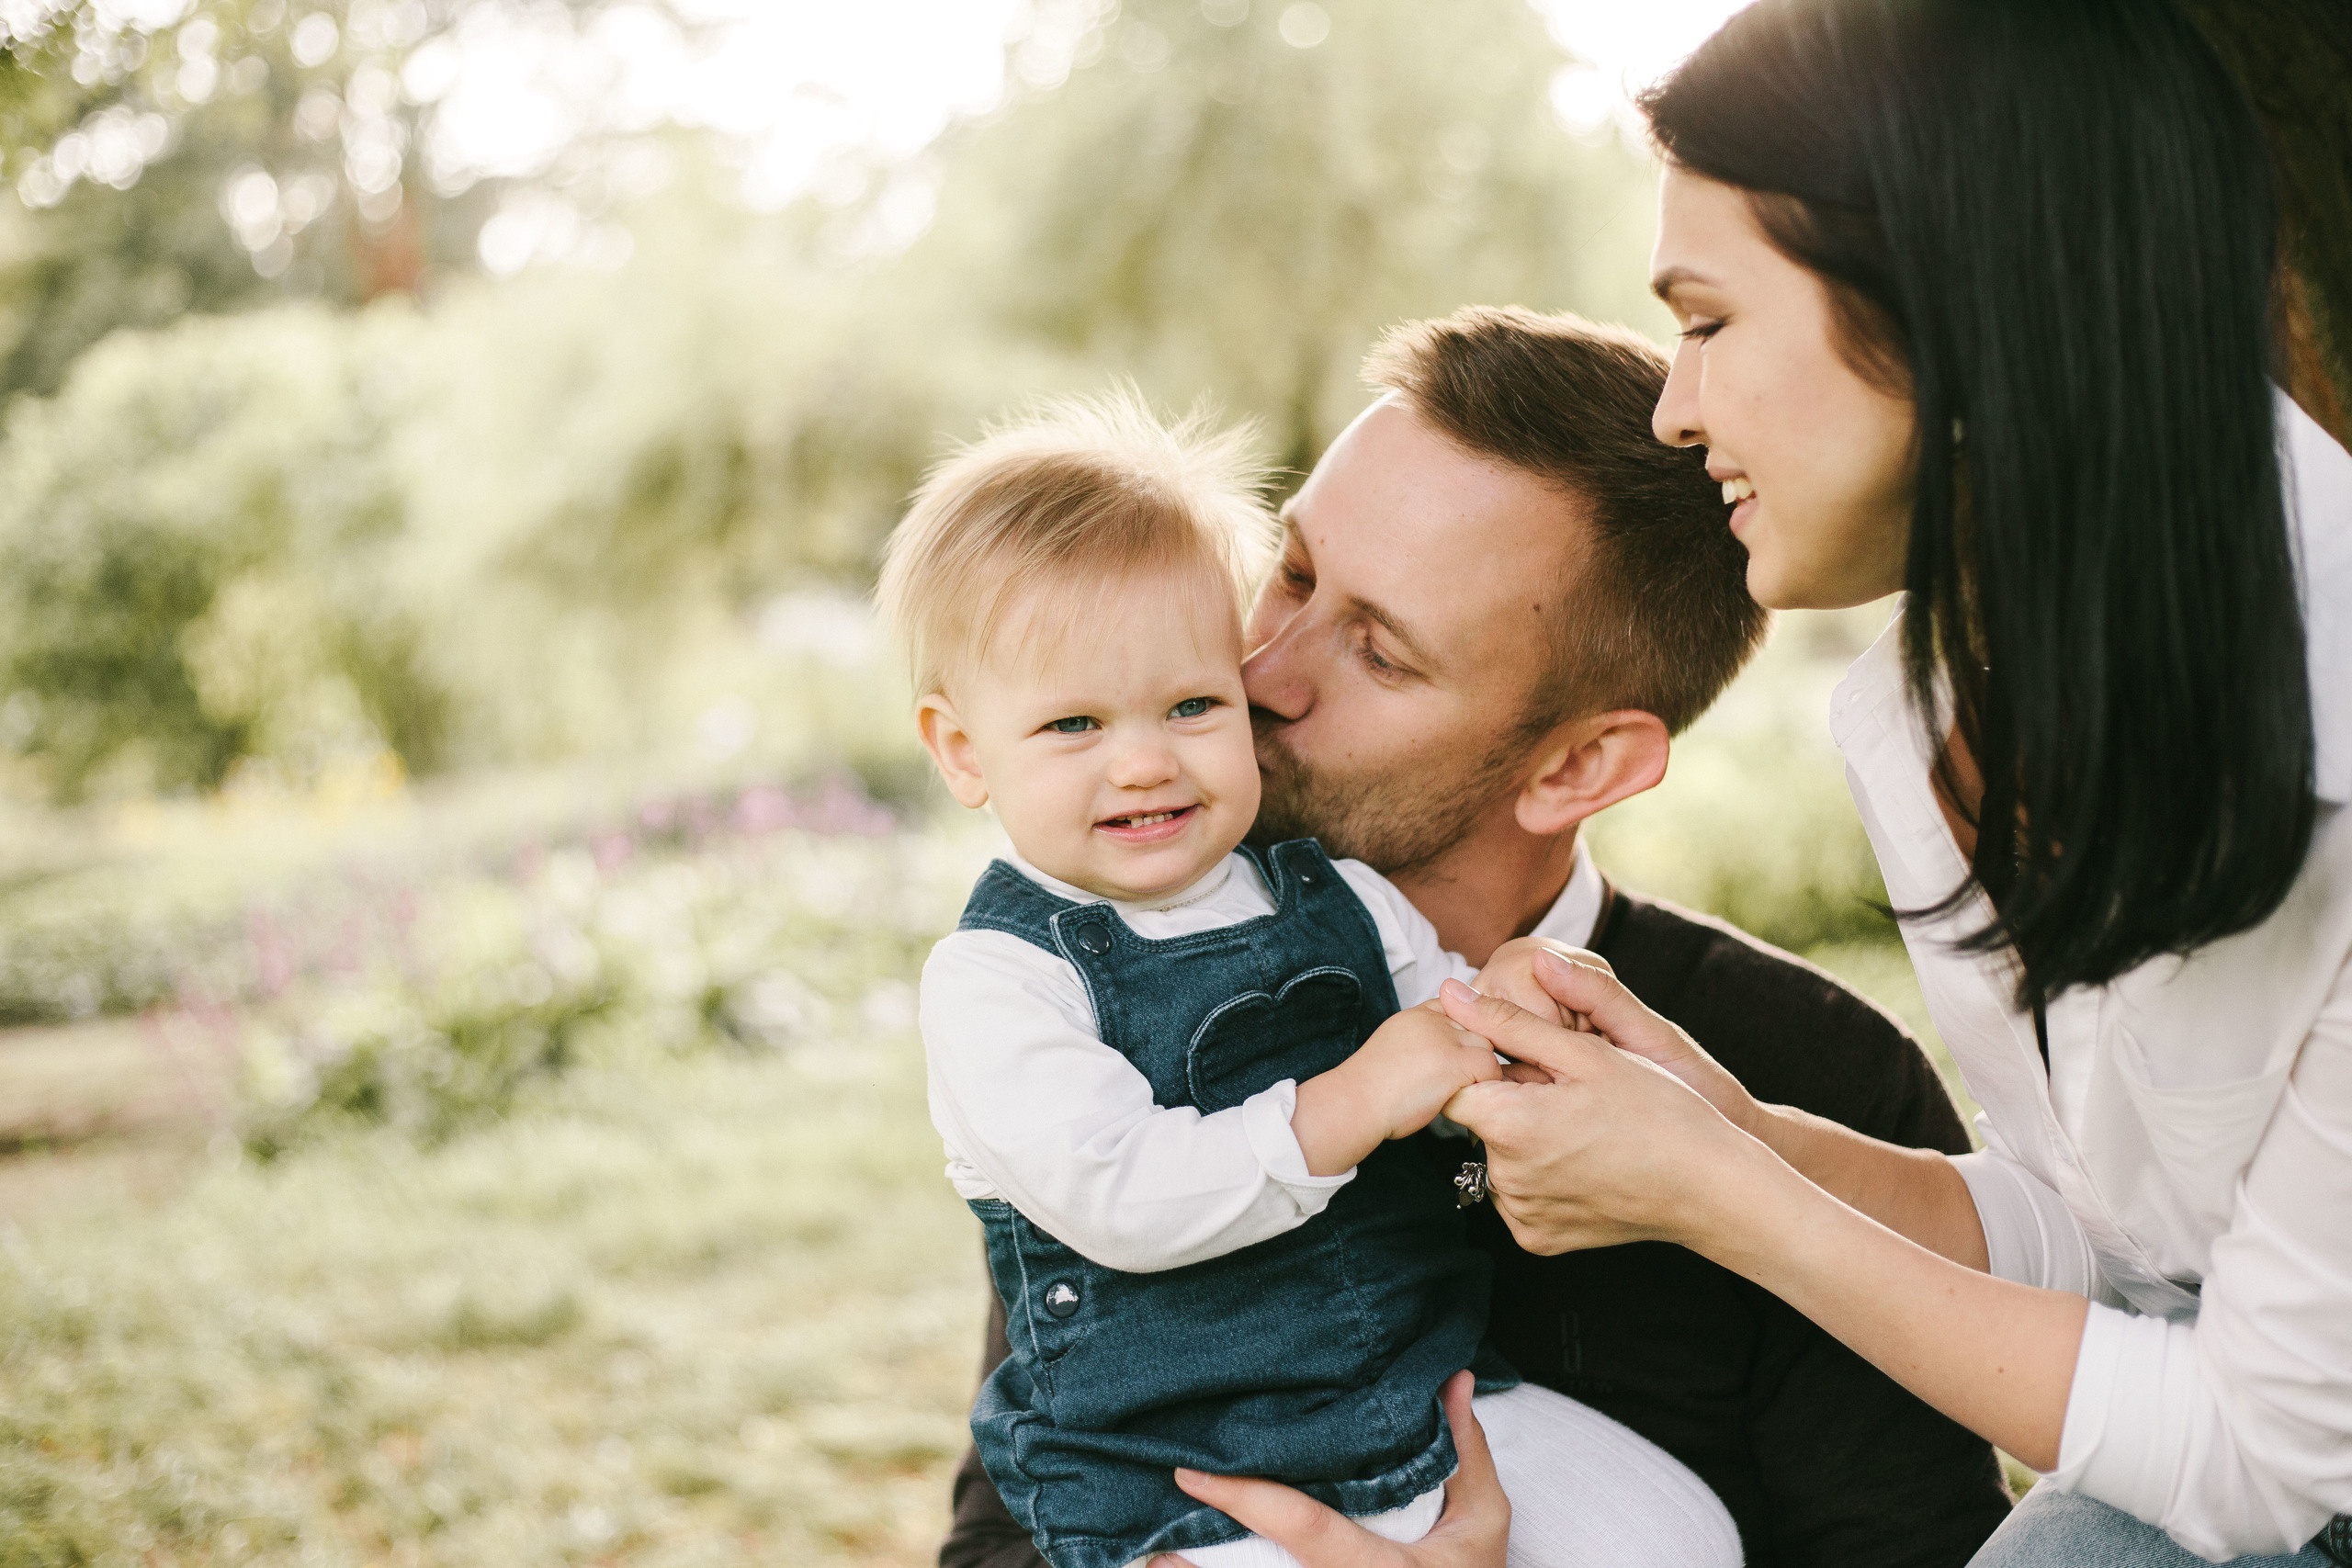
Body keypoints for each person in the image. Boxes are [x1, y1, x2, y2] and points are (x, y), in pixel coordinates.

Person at [1182, 4, 2352, 1566]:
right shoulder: (1950, 701)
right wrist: (1734, 1130)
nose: (1678, 404)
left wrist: (1727, 1197)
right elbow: (2137, 1247)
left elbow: (2267, 1455)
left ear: (1951, 310)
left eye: (1711, 321)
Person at [941, 308, 2017, 1568]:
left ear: (1581, 764)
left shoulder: (1824, 1078)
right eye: (1289, 574)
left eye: (1379, 651)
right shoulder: (1111, 979)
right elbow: (1006, 1525)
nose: (1260, 669)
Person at [879, 392, 1742, 1568]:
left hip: (1426, 1407)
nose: (1145, 759)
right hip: (1184, 1482)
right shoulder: (1003, 981)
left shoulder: (1327, 895)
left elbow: (1451, 1018)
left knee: (1682, 1539)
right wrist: (1356, 1099)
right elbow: (1121, 1196)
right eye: (1074, 723)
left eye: (1192, 703)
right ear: (962, 752)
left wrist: (1519, 1022)